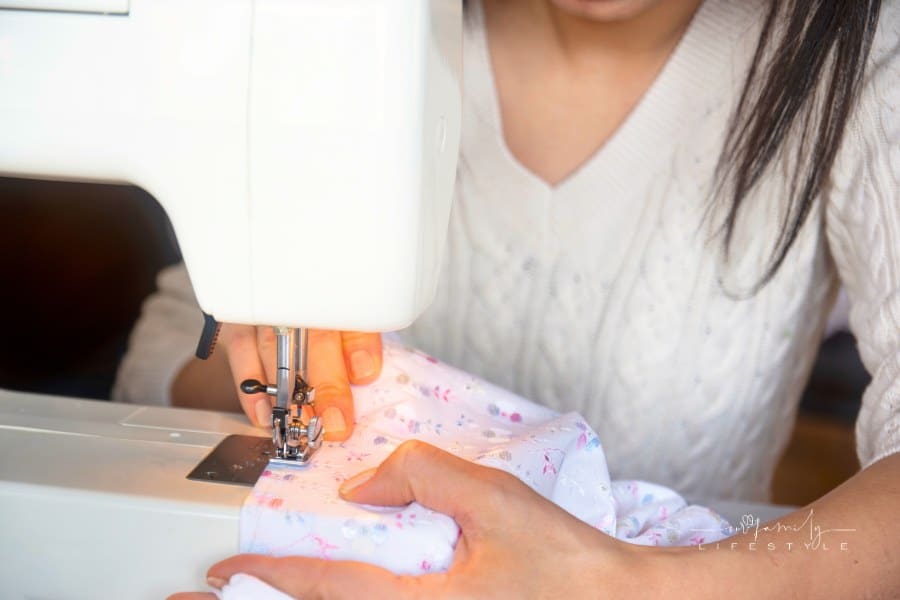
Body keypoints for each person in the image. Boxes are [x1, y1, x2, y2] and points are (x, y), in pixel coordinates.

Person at [117, 0, 900, 596]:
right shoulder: (361, 29)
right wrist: (273, 360)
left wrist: (627, 585)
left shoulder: (867, 51)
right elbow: (163, 349)